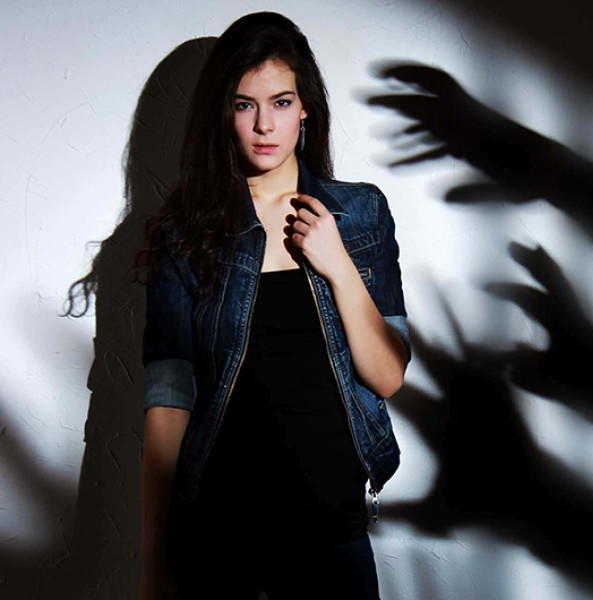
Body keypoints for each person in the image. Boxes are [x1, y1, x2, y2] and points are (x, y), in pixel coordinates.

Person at [136, 12, 410, 599]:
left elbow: (387, 375)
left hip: (331, 535)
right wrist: (153, 567)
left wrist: (336, 263)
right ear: (223, 112)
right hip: (219, 535)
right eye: (245, 105)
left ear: (305, 107)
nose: (264, 125)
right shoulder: (185, 233)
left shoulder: (360, 215)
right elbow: (168, 405)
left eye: (281, 103)